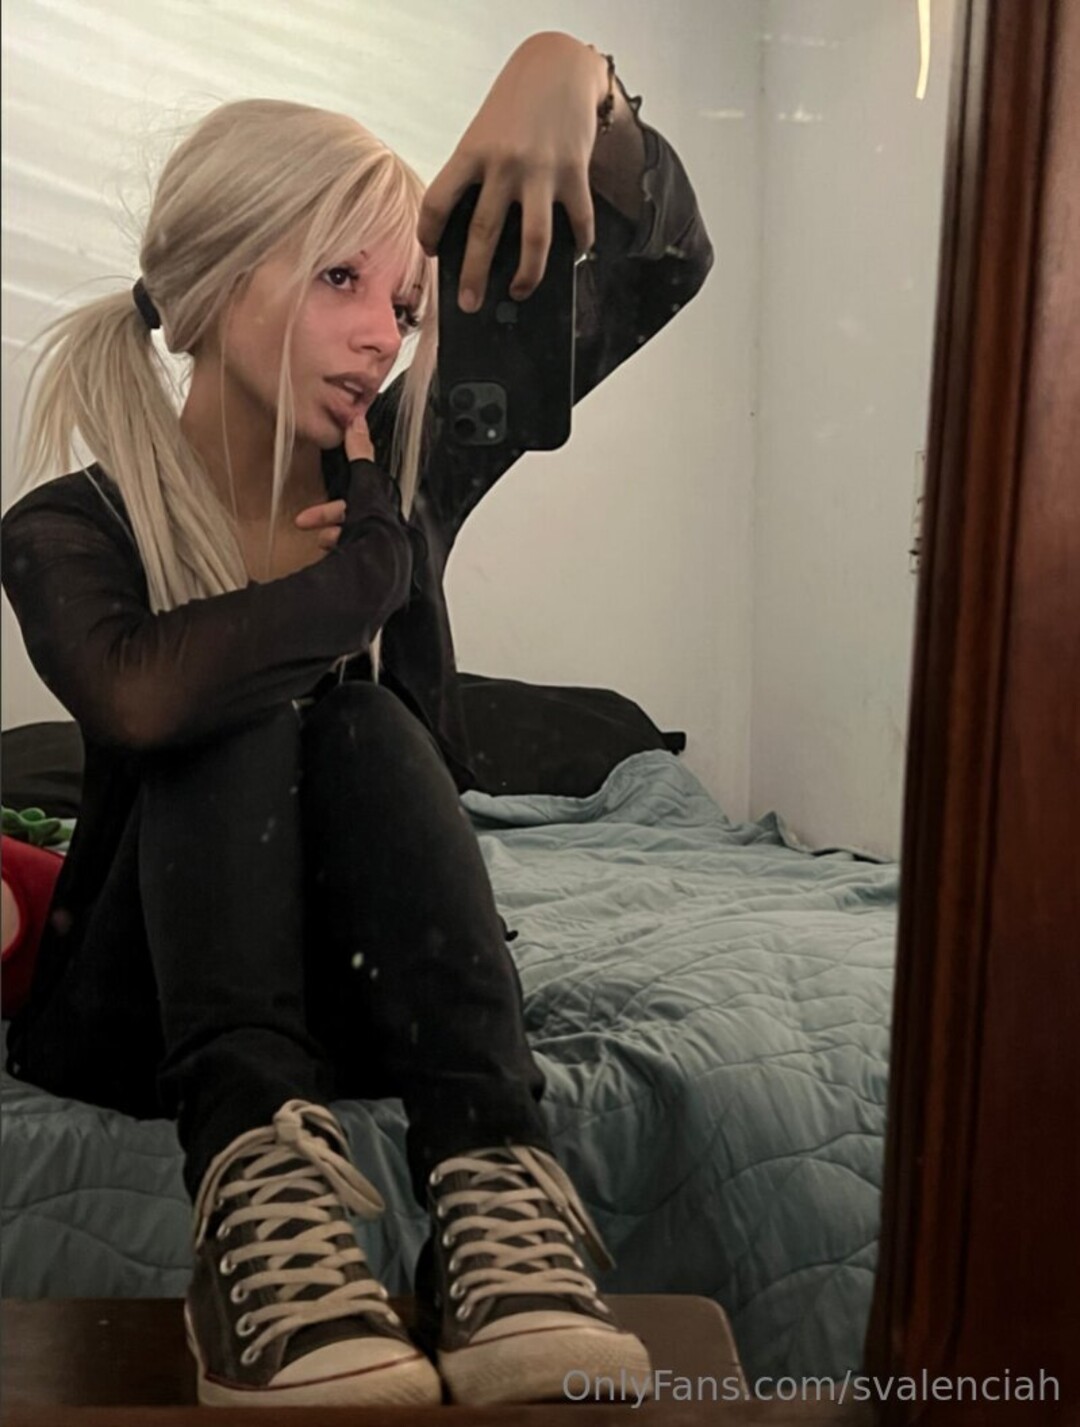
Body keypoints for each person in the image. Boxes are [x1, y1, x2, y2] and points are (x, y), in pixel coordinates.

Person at [0, 29, 714, 1409]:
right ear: (211, 289)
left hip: (385, 989)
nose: (387, 334)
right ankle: (252, 1195)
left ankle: (495, 1185)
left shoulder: (408, 462)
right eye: (342, 281)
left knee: (366, 730)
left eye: (401, 301)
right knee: (237, 701)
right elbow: (141, 696)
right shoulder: (67, 526)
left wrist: (578, 77)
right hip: (146, 1013)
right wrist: (360, 579)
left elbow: (661, 260)